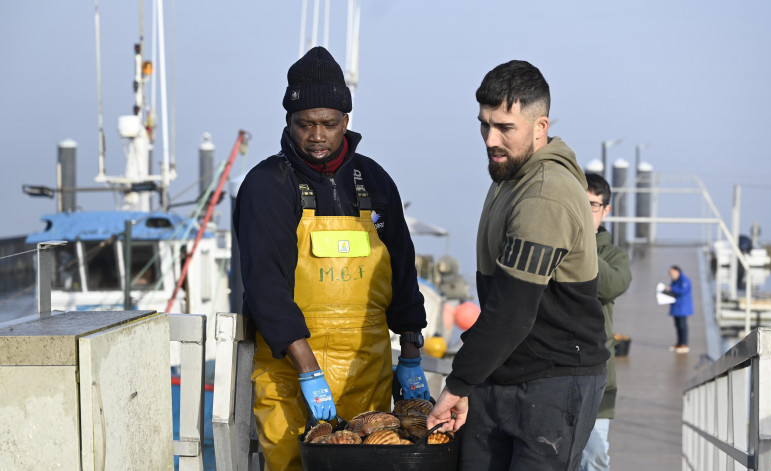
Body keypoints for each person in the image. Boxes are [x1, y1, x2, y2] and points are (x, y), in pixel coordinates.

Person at [233, 46, 429, 470]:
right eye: (304, 124)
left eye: (328, 123)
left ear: (347, 121)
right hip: (293, 372)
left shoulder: (374, 181)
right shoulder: (267, 185)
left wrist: (411, 355)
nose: (316, 136)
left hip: (368, 369)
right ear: (288, 122)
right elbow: (266, 285)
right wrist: (309, 373)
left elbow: (403, 269)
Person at [427, 60, 609, 471]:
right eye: (484, 124)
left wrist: (456, 384)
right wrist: (474, 381)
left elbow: (511, 311)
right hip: (502, 374)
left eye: (505, 127)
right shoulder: (508, 176)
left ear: (540, 126)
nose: (490, 139)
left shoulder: (545, 193)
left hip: (555, 381)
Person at [579, 174, 632, 471]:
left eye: (593, 205)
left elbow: (611, 285)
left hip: (598, 377)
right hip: (550, 373)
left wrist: (578, 242)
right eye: (579, 204)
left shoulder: (614, 255)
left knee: (595, 458)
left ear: (606, 209)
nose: (586, 212)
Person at [662, 265, 693, 353]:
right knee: (677, 326)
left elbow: (682, 291)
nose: (670, 275)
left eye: (672, 273)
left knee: (683, 326)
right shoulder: (674, 280)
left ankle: (684, 344)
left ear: (677, 272)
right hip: (676, 306)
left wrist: (671, 288)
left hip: (683, 307)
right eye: (669, 273)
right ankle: (679, 343)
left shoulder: (684, 280)